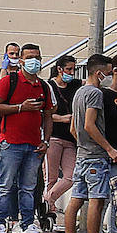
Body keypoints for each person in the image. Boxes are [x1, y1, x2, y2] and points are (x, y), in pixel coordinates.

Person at [63, 53, 117, 233]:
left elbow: (74, 127)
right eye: (107, 73)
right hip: (95, 157)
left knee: (76, 200)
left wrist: (82, 143)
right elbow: (89, 125)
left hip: (82, 154)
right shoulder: (95, 94)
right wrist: (109, 149)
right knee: (96, 202)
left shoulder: (79, 92)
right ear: (98, 73)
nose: (109, 76)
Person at [0, 42, 51, 233]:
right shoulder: (9, 80)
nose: (34, 61)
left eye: (37, 58)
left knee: (28, 187)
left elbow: (48, 115)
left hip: (34, 145)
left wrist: (46, 141)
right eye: (30, 57)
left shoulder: (43, 86)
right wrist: (20, 108)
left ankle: (27, 225)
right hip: (11, 142)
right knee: (5, 185)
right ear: (21, 60)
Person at [45, 55, 82, 215]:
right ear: (59, 69)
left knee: (72, 175)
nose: (71, 73)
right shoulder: (49, 86)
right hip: (53, 136)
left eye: (74, 69)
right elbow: (43, 113)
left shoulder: (75, 84)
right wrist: (61, 118)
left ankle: (47, 199)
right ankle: (48, 210)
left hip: (70, 138)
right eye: (68, 69)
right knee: (51, 177)